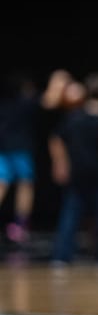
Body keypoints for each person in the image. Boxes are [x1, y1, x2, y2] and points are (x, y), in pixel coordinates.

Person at [48, 73, 98, 267]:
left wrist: (60, 164)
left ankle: (61, 257)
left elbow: (56, 140)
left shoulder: (75, 118)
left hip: (77, 174)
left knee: (70, 216)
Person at [0, 73, 41, 245]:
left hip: (3, 148)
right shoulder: (25, 103)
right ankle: (20, 225)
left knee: (2, 183)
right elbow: (48, 100)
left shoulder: (4, 105)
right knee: (25, 184)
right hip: (19, 150)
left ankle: (19, 226)